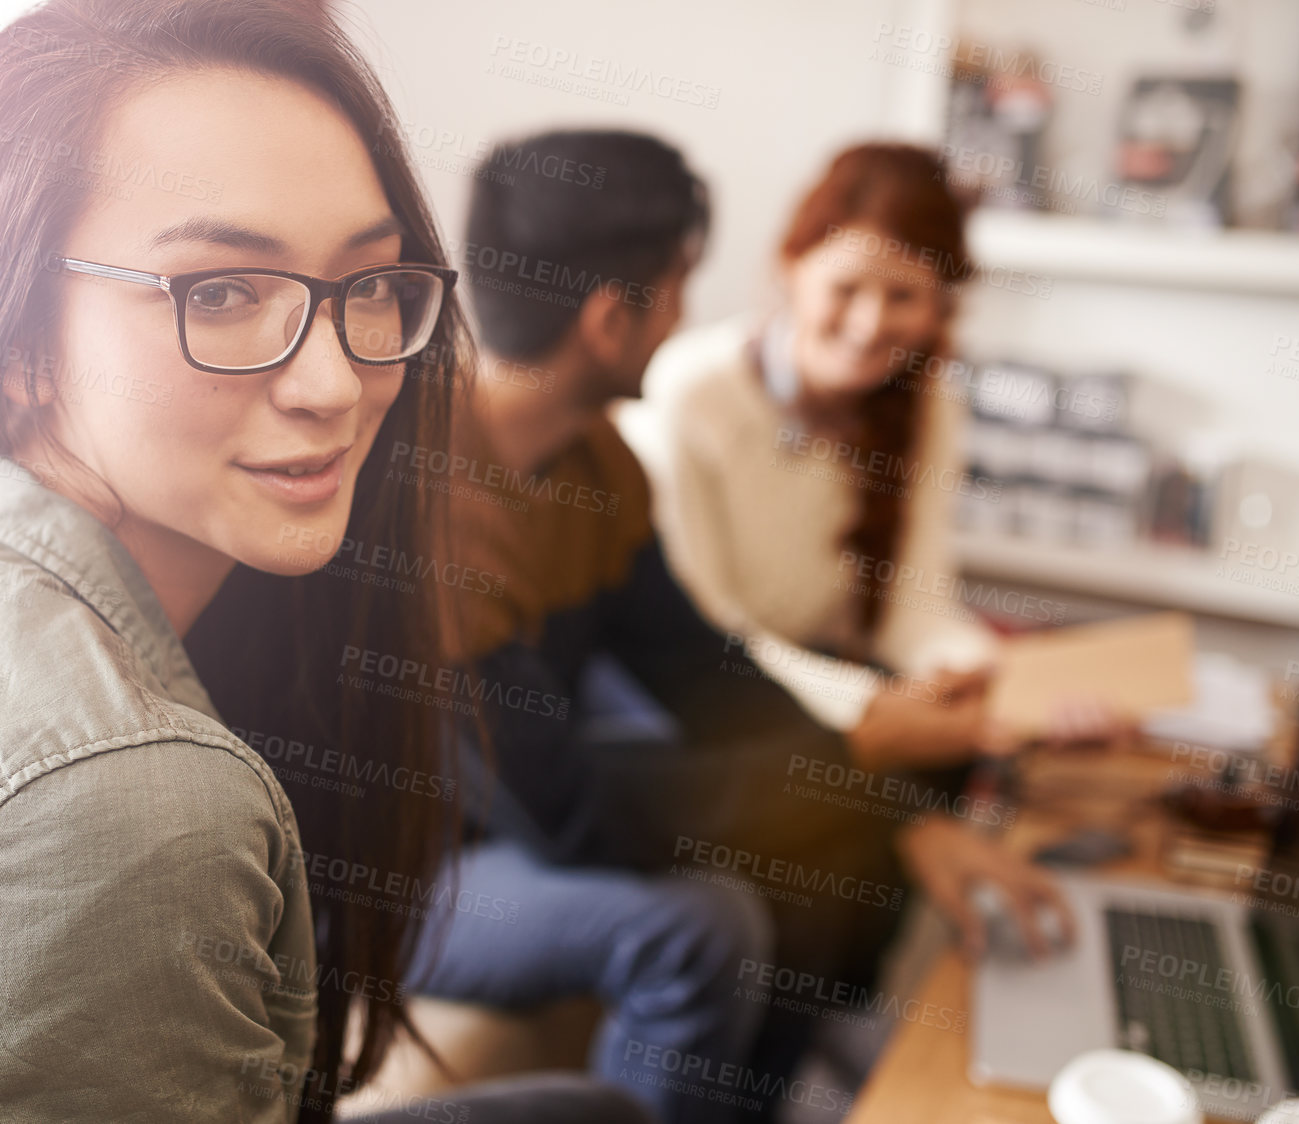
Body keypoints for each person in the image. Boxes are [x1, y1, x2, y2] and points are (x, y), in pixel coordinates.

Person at [0, 4, 650, 1122]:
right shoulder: (122, 807)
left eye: (368, 283)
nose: (334, 385)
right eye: (221, 291)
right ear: (18, 344)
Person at [407, 131, 1070, 1124]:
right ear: (606, 318)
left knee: (796, 822)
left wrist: (882, 804)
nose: (683, 315)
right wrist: (848, 778)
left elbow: (702, 670)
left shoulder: (596, 466)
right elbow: (560, 811)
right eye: (677, 285)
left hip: (526, 813)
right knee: (701, 920)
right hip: (397, 871)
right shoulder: (437, 507)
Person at [616, 141, 1122, 773]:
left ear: (941, 305)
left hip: (850, 688)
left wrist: (994, 682)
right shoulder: (689, 391)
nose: (868, 324)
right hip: (721, 703)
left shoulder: (931, 399)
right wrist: (884, 706)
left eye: (904, 297)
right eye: (846, 288)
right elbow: (710, 639)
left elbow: (915, 608)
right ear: (791, 268)